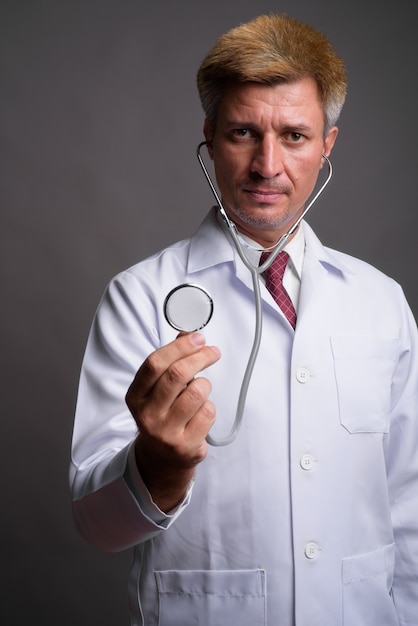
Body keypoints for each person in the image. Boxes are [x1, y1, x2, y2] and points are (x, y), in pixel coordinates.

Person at [69, 13, 418, 626]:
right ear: (208, 137)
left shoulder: (380, 300)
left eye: (294, 135)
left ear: (327, 145)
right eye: (241, 133)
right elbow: (93, 525)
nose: (267, 165)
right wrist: (158, 467)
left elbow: (411, 503)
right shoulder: (139, 297)